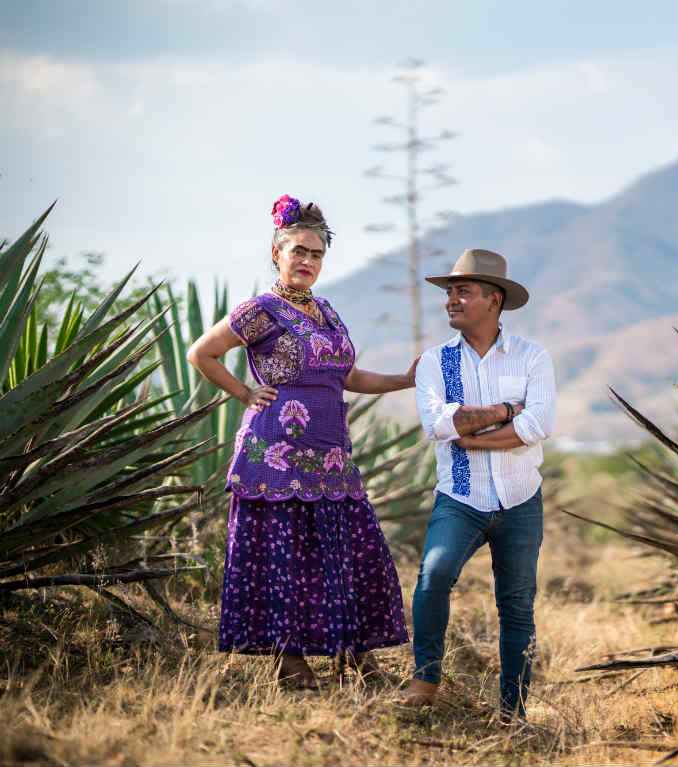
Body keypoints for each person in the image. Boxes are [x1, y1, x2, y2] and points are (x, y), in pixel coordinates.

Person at [187, 195, 414, 689]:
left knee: (347, 552)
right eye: (298, 251)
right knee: (284, 558)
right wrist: (245, 392)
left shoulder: (326, 311)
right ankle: (290, 662)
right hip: (276, 455)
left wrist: (401, 380)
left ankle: (355, 654)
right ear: (277, 253)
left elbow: (347, 374)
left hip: (332, 455)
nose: (307, 261)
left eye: (316, 254)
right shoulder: (259, 310)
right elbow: (201, 352)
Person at [402, 248, 556, 720]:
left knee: (516, 605)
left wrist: (478, 439)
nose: (451, 299)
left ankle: (514, 712)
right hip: (460, 498)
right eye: (449, 292)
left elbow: (540, 424)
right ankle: (426, 677)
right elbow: (440, 425)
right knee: (434, 575)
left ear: (494, 299)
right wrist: (508, 410)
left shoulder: (533, 357)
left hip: (520, 499)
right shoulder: (434, 362)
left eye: (462, 291)